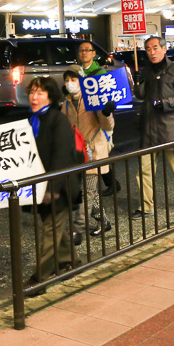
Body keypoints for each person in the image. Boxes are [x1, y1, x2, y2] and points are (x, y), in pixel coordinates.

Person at [25, 76, 81, 290]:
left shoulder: (58, 120)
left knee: (50, 229)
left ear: (50, 97)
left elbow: (61, 157)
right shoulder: (31, 120)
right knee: (55, 227)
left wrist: (52, 188)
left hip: (59, 186)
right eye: (32, 92)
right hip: (39, 185)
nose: (34, 97)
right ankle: (69, 261)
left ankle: (40, 278)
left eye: (40, 93)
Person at [132, 36, 174, 219]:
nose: (152, 52)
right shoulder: (146, 71)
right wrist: (138, 82)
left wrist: (166, 103)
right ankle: (146, 206)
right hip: (149, 127)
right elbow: (141, 95)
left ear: (163, 49)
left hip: (170, 128)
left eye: (155, 48)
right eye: (148, 49)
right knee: (144, 169)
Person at [62, 70, 115, 237]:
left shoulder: (93, 98)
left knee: (88, 191)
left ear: (82, 80)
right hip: (77, 152)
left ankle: (77, 225)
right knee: (87, 190)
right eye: (67, 80)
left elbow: (108, 126)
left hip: (94, 151)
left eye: (74, 79)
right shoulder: (66, 103)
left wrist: (106, 113)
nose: (70, 83)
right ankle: (103, 221)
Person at [69, 41, 120, 198]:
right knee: (92, 153)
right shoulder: (75, 72)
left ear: (93, 53)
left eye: (87, 50)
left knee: (99, 152)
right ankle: (109, 185)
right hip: (82, 117)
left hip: (98, 118)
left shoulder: (99, 73)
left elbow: (108, 96)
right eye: (81, 50)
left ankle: (102, 189)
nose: (84, 53)